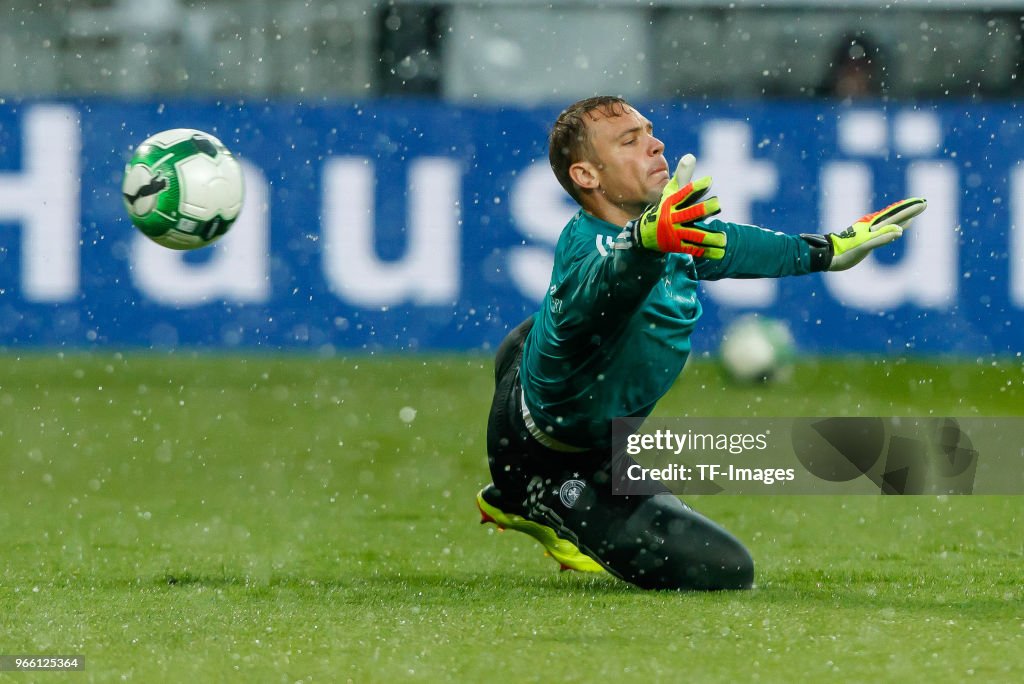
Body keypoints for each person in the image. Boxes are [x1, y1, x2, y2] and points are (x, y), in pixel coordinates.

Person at [476, 95, 926, 591]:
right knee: (726, 569)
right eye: (631, 140)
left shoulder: (667, 234)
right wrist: (645, 244)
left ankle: (527, 492)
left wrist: (826, 250)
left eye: (649, 131)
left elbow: (732, 245)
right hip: (549, 454)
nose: (656, 143)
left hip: (571, 423)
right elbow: (601, 291)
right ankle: (532, 495)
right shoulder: (594, 248)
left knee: (532, 334)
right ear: (587, 176)